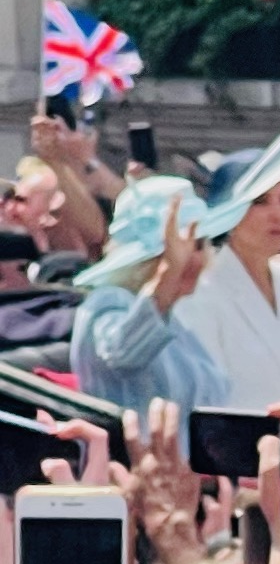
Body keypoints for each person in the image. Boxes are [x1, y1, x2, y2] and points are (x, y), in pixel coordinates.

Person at [70, 176, 234, 453]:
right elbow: (122, 353)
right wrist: (167, 277)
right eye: (176, 249)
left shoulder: (176, 319)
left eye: (198, 245)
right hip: (131, 481)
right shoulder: (107, 302)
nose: (192, 258)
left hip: (191, 484)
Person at [175, 128, 280, 412]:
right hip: (242, 447)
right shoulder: (201, 290)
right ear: (229, 212)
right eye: (259, 201)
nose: (279, 214)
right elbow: (206, 399)